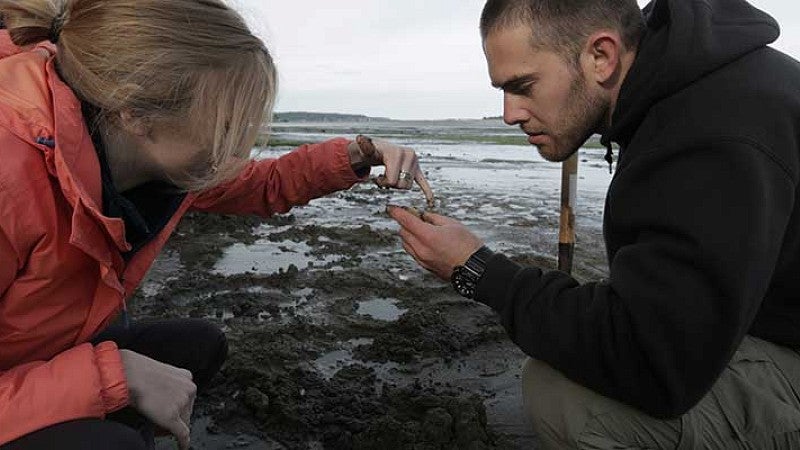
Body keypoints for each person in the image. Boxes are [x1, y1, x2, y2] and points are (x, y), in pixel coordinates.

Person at [0, 1, 433, 449]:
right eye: (225, 122)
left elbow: (261, 182)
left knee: (195, 349)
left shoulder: (149, 158)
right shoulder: (9, 175)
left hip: (38, 355)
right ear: (135, 111)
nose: (237, 143)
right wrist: (111, 375)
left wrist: (359, 153)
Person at [389, 0, 800, 447]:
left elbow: (651, 363)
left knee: (565, 398)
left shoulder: (713, 131)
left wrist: (476, 268)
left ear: (601, 56)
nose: (509, 113)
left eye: (523, 86)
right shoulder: (688, 90)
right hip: (766, 320)